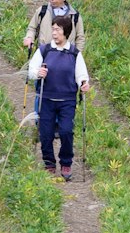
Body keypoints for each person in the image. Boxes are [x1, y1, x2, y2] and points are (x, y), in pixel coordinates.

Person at [28, 15, 89, 182]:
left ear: (66, 32)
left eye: (58, 30)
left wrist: (84, 84)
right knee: (45, 133)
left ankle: (66, 163)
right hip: (46, 98)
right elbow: (31, 70)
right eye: (53, 29)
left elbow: (82, 75)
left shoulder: (75, 53)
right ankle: (49, 163)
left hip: (67, 100)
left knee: (66, 131)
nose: (54, 33)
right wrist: (37, 73)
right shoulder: (44, 50)